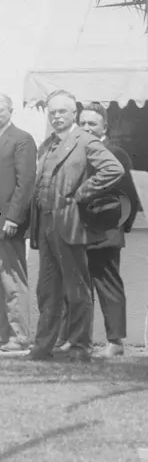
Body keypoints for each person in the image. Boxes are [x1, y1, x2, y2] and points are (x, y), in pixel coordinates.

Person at [28, 90, 123, 362]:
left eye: (62, 112)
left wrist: (81, 193)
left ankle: (81, 345)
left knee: (77, 288)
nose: (57, 117)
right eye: (52, 112)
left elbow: (113, 169)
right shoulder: (47, 145)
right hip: (45, 223)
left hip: (69, 222)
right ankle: (43, 346)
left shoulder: (85, 140)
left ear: (73, 114)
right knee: (47, 289)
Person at [78, 101, 140, 357]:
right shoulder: (76, 151)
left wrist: (118, 228)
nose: (86, 128)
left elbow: (131, 198)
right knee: (81, 287)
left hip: (105, 232)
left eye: (92, 123)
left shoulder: (116, 152)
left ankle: (115, 342)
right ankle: (81, 340)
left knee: (108, 285)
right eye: (82, 123)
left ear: (105, 125)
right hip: (77, 230)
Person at [0, 93, 36, 352]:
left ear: (10, 111)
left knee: (12, 279)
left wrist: (13, 217)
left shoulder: (21, 139)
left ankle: (20, 335)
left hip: (6, 220)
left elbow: (25, 183)